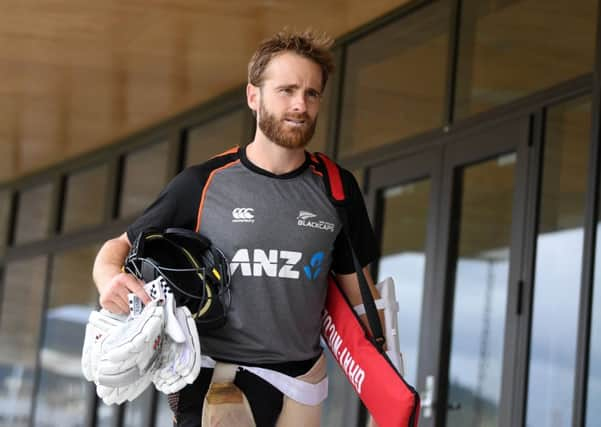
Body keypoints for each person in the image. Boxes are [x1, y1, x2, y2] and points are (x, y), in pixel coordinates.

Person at [92, 29, 382, 427]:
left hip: (304, 385)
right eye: (287, 90)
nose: (300, 104)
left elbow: (360, 298)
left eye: (311, 94)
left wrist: (387, 376)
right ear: (253, 96)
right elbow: (119, 246)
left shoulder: (336, 187)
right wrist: (108, 277)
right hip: (217, 381)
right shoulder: (204, 181)